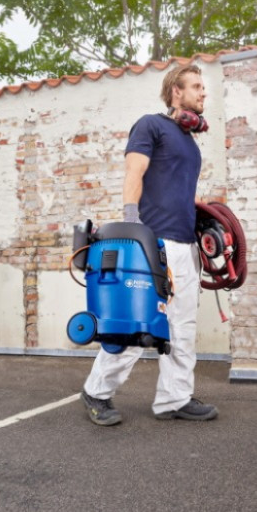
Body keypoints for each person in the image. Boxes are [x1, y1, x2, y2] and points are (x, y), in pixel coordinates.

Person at [81, 63, 218, 426]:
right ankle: (96, 392)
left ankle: (174, 398)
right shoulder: (150, 125)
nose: (203, 92)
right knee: (137, 324)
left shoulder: (189, 141)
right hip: (153, 244)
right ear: (177, 91)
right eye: (196, 86)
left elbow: (174, 189)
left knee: (182, 328)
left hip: (185, 246)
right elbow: (135, 171)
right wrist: (132, 224)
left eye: (203, 87)